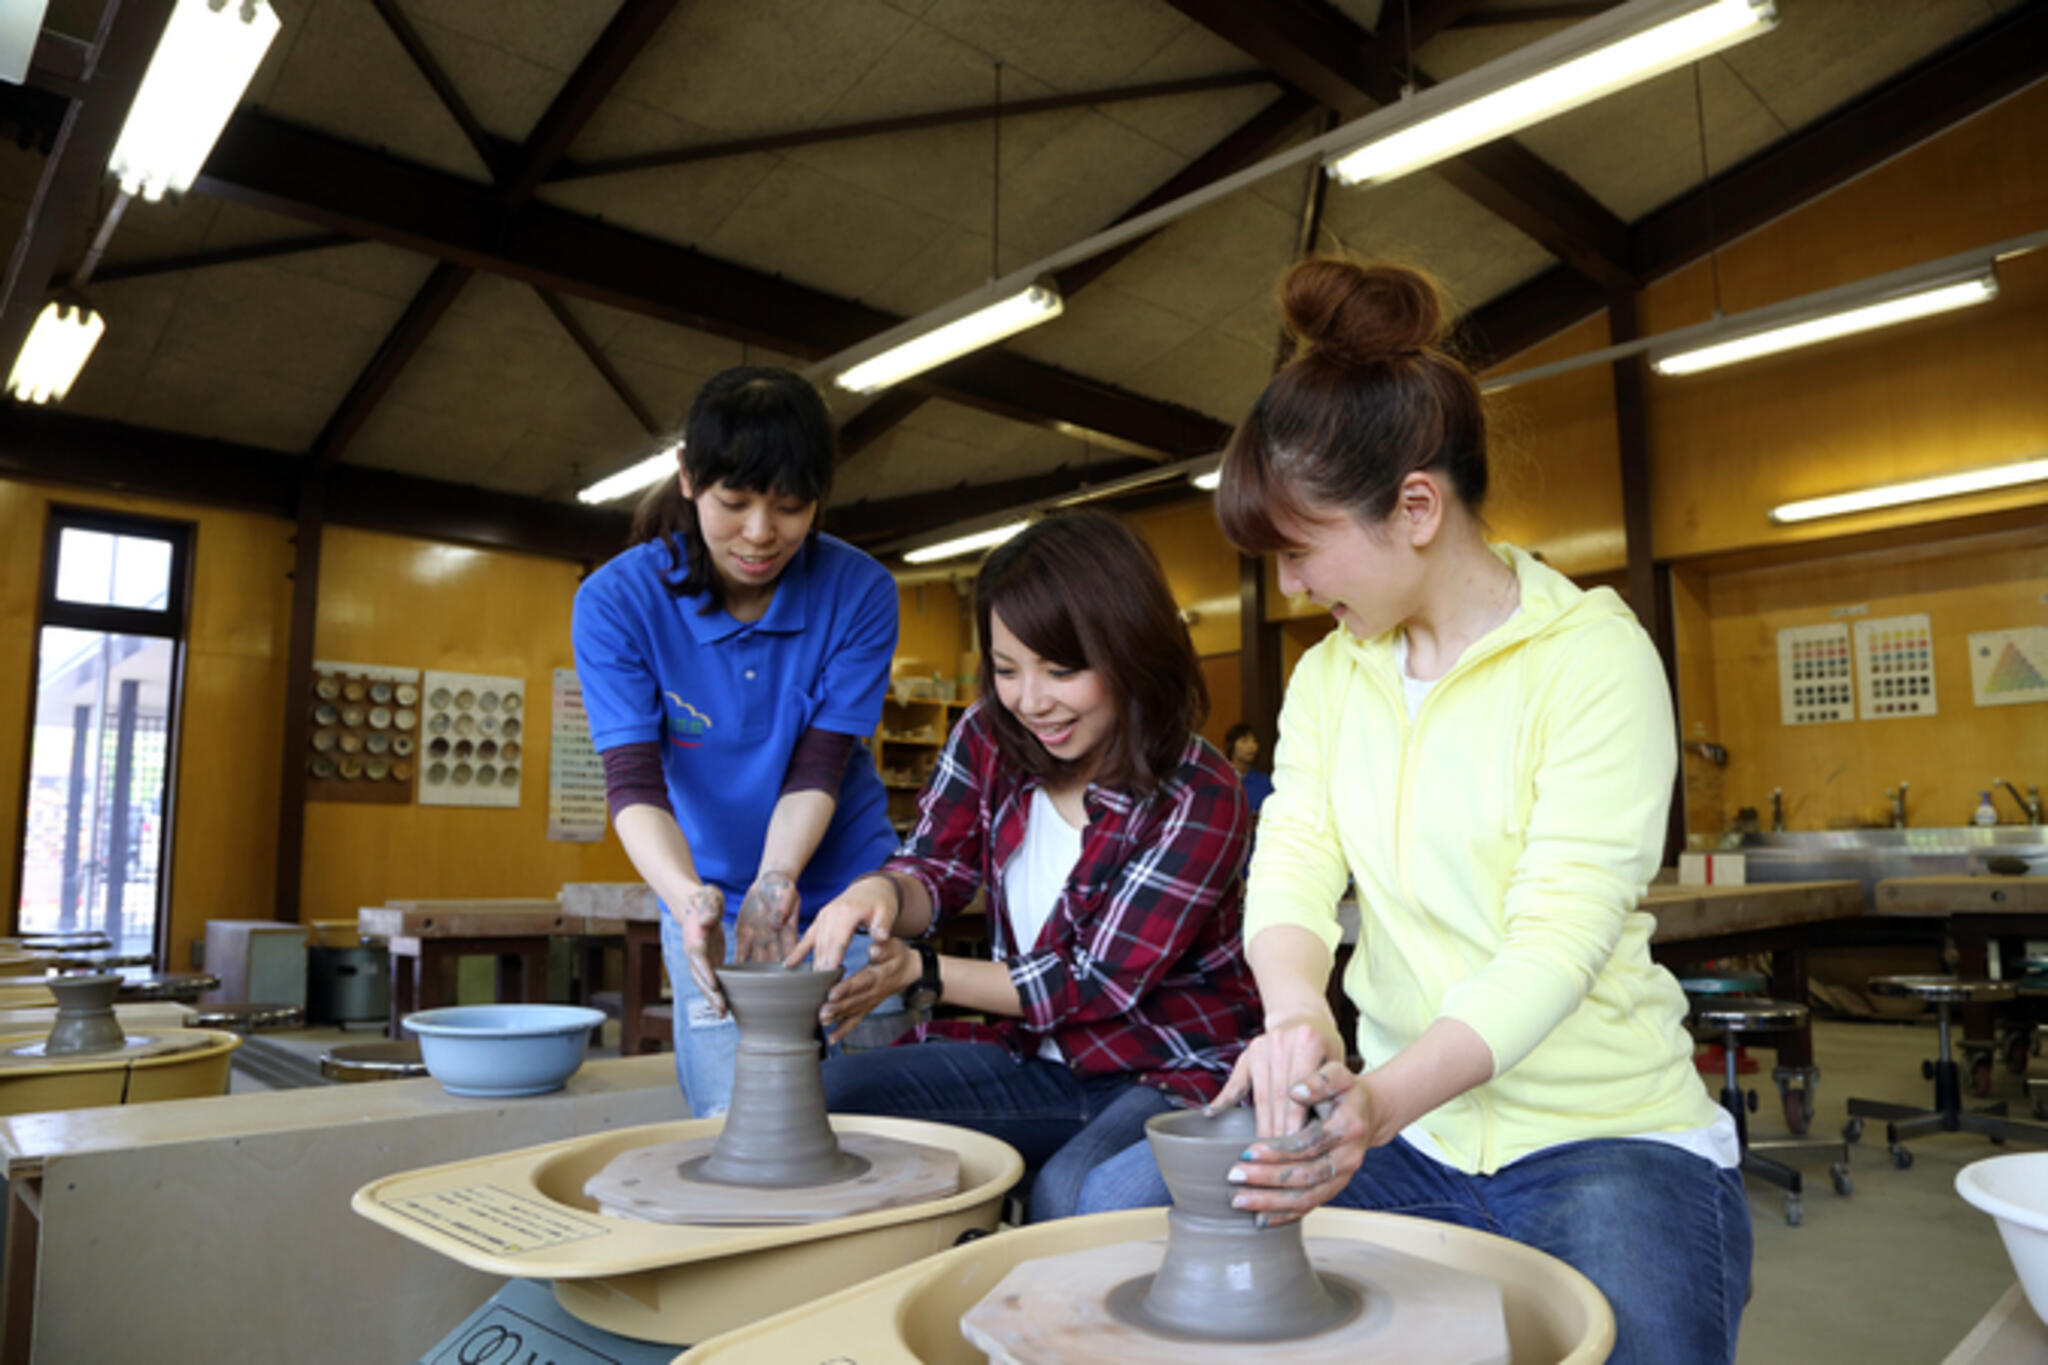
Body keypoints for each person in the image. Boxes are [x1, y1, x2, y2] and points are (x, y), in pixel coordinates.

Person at [1076, 258, 1747, 1364]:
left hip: (1602, 1135)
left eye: (1300, 548)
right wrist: (1295, 1012)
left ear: (1416, 508)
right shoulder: (1337, 674)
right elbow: (1292, 852)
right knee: (1114, 1213)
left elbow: (1560, 934)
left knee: (1645, 1346)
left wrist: (1374, 1104)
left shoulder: (1591, 659)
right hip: (1403, 1128)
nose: (1289, 585)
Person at [793, 510, 1261, 1222]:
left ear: (1131, 649)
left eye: (1062, 670)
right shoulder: (989, 733)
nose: (1032, 700)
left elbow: (1095, 981)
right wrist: (881, 890)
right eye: (1008, 669)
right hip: (1034, 1056)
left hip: (1171, 1068)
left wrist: (928, 971)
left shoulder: (1202, 790)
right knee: (820, 1101)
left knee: (1073, 1196)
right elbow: (937, 868)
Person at [571, 365, 902, 1119]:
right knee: (734, 1122)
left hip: (848, 893)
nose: (760, 533)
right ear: (689, 479)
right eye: (735, 501)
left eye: (790, 507)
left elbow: (821, 763)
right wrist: (691, 900)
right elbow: (633, 783)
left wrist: (777, 881)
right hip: (705, 898)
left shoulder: (860, 592)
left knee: (873, 1123)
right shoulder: (616, 602)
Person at [1222, 722, 1273, 814]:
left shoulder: (1265, 782)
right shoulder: (1221, 778)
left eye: (1255, 741)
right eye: (1244, 741)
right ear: (1230, 745)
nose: (1251, 746)